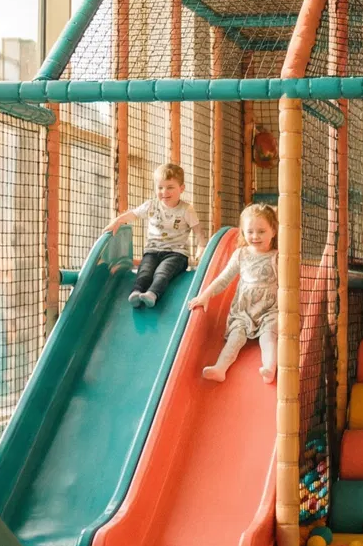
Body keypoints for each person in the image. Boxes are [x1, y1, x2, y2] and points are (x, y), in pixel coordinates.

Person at [187, 204, 278, 383]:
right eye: (249, 231)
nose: (255, 236)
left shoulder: (277, 257)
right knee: (236, 337)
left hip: (270, 310)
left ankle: (269, 367)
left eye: (261, 231)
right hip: (243, 310)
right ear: (243, 232)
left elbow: (287, 284)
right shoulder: (240, 254)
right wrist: (205, 295)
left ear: (273, 231)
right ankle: (220, 368)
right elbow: (223, 279)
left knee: (269, 335)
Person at [104, 162, 200, 308]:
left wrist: (201, 250)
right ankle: (136, 292)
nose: (164, 192)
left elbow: (198, 232)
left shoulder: (187, 210)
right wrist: (117, 221)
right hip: (152, 251)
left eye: (170, 187)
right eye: (160, 187)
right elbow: (133, 214)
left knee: (162, 272)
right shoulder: (151, 205)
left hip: (176, 254)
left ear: (181, 189)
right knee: (145, 271)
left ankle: (153, 294)